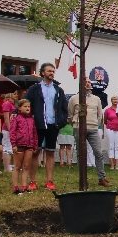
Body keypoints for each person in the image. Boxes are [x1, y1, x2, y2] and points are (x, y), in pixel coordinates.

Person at [24, 63, 68, 191]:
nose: (51, 73)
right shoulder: (35, 88)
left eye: (53, 71)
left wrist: (61, 121)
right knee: (36, 152)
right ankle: (32, 181)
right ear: (43, 73)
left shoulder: (58, 90)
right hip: (38, 124)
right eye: (49, 71)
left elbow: (64, 108)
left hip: (53, 125)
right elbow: (26, 103)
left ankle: (49, 181)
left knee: (50, 152)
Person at [67, 77, 112, 188]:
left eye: (89, 82)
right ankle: (83, 178)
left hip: (93, 128)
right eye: (85, 82)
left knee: (98, 152)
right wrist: (75, 124)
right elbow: (70, 114)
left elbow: (99, 115)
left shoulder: (96, 99)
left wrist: (95, 124)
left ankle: (102, 178)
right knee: (81, 153)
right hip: (79, 127)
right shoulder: (74, 98)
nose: (87, 84)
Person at [9, 99, 38, 194]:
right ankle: (15, 187)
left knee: (26, 166)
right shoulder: (16, 118)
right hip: (19, 144)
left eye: (28, 106)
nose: (27, 108)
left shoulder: (31, 119)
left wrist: (35, 145)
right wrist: (14, 144)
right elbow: (12, 132)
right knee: (17, 166)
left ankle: (24, 186)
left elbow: (34, 133)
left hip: (29, 145)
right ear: (20, 108)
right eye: (25, 106)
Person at [103, 95, 118, 170]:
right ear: (111, 101)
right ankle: (112, 164)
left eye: (116, 99)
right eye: (114, 99)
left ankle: (117, 165)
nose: (115, 101)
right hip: (110, 129)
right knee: (111, 146)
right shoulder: (108, 110)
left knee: (117, 146)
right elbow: (105, 120)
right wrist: (110, 125)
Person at [0, 93, 16, 172]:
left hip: (13, 128)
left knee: (11, 147)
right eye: (14, 94)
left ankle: (11, 165)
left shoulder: (13, 104)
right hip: (7, 129)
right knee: (7, 147)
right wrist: (10, 129)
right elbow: (6, 117)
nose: (16, 95)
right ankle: (6, 168)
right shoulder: (7, 103)